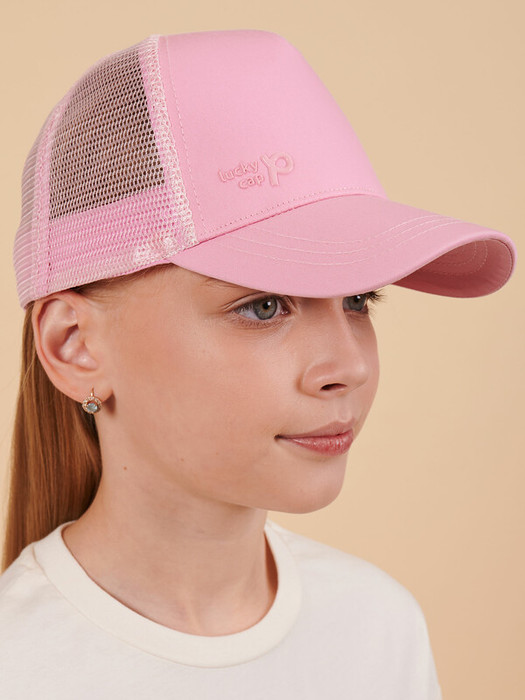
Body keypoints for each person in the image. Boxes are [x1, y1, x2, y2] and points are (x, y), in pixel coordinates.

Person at [0, 29, 516, 699]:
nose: (347, 366)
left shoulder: (378, 630)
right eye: (264, 307)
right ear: (75, 346)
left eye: (358, 300)